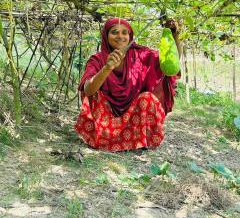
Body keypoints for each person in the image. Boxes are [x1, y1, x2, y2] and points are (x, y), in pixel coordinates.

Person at [75, 17, 181, 152]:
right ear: (106, 35)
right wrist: (107, 68)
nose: (120, 36)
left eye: (125, 32)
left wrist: (174, 36)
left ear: (130, 36)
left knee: (147, 99)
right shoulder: (97, 59)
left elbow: (170, 62)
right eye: (114, 32)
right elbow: (88, 89)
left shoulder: (140, 54)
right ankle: (106, 140)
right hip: (106, 125)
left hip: (133, 117)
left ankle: (138, 140)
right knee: (95, 91)